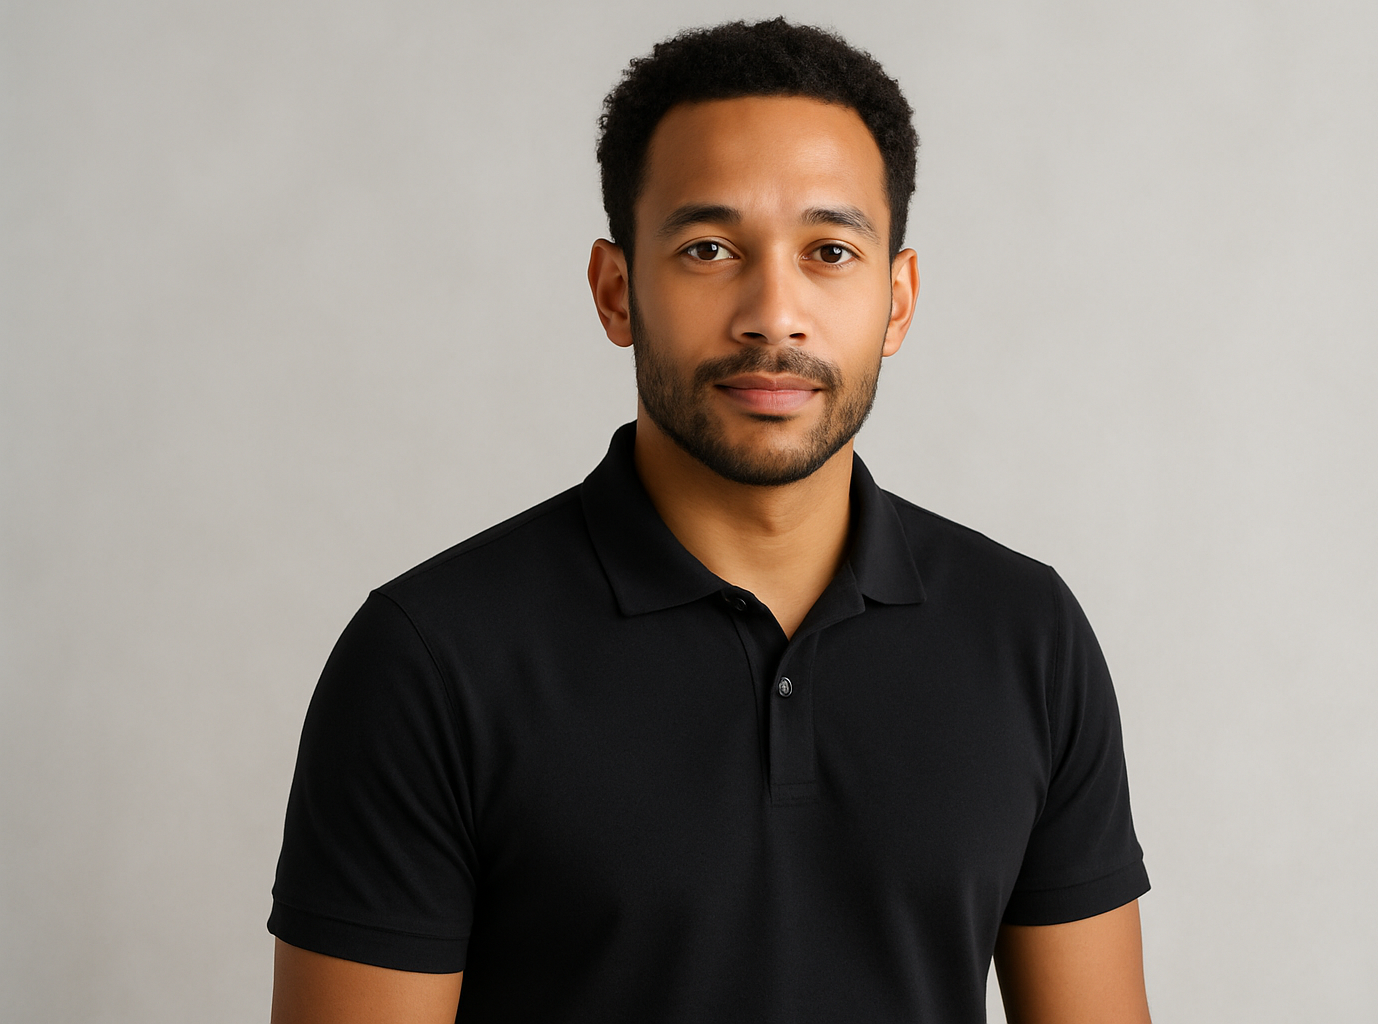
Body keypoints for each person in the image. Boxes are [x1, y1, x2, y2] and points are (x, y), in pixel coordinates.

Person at [269, 18, 1151, 1024]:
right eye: (708, 248)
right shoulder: (430, 660)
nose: (774, 313)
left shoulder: (1025, 635)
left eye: (829, 250)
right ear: (616, 291)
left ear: (896, 301)